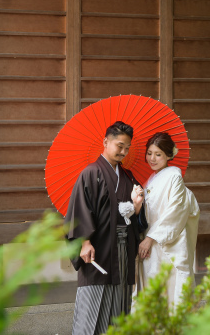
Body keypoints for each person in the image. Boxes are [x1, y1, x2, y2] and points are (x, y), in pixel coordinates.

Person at [64, 121, 146, 335]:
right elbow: (80, 210)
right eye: (119, 146)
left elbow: (133, 215)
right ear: (106, 142)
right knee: (93, 302)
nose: (123, 152)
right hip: (99, 248)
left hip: (123, 249)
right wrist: (84, 242)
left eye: (127, 148)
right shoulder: (91, 173)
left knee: (120, 304)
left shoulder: (128, 177)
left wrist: (137, 207)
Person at [136, 132, 200, 307]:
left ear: (169, 155)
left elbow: (175, 212)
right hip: (152, 243)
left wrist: (150, 239)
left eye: (158, 154)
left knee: (171, 289)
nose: (152, 159)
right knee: (156, 289)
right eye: (149, 153)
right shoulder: (151, 179)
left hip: (167, 243)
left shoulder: (174, 176)